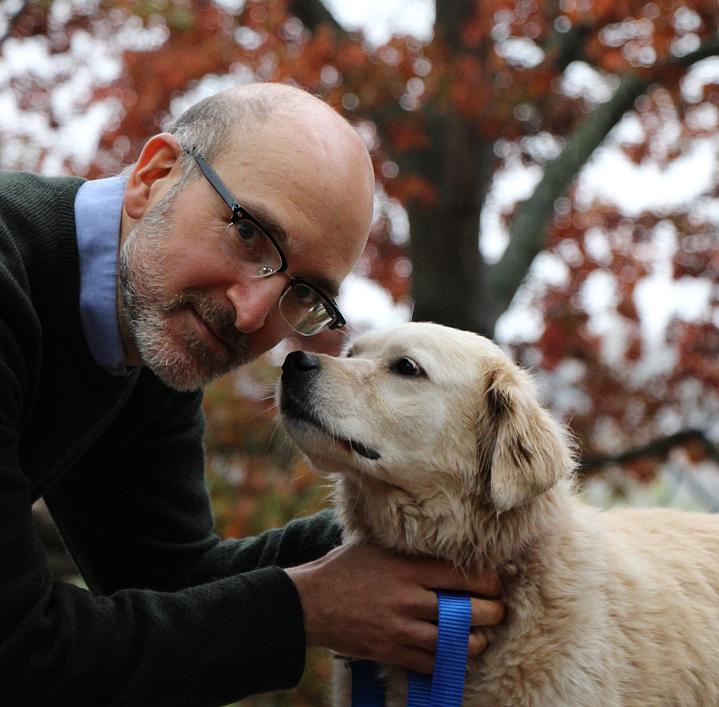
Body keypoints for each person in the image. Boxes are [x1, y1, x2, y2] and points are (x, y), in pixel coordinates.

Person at [0, 82, 504, 706]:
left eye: (304, 294)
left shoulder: (148, 332)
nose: (252, 314)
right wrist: (305, 609)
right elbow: (16, 650)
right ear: (154, 177)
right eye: (248, 234)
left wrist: (403, 525)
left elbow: (173, 583)